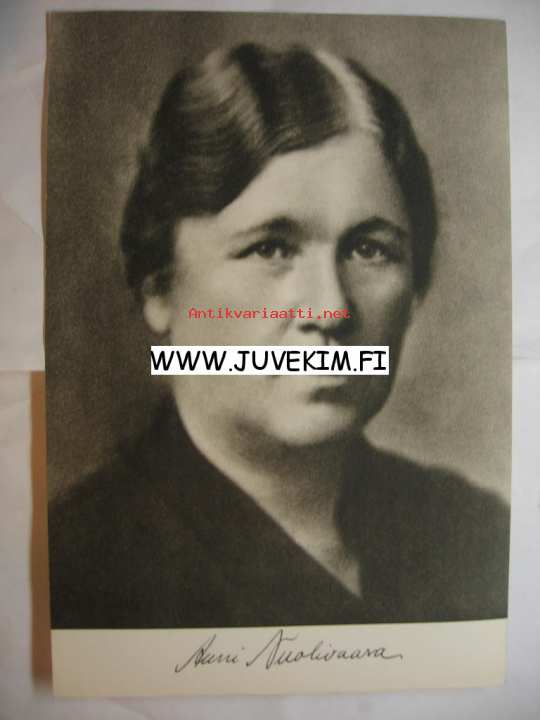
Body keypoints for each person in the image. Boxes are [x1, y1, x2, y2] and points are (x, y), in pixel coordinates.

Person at [48, 42, 510, 629]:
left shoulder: (478, 536)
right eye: (270, 248)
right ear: (159, 287)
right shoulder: (77, 570)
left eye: (370, 250)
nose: (331, 309)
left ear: (415, 285)